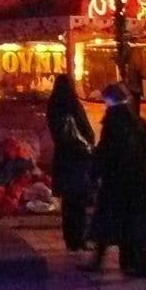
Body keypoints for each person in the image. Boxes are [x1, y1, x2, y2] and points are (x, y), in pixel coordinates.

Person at [88, 84, 146, 277]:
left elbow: (105, 150)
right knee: (138, 221)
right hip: (139, 179)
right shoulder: (138, 122)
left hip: (117, 179)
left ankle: (107, 260)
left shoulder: (113, 122)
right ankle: (140, 263)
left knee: (109, 219)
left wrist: (95, 172)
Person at [45, 75, 95, 253]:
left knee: (68, 203)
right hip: (77, 157)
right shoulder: (72, 104)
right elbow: (86, 130)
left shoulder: (53, 106)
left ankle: (70, 239)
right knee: (79, 201)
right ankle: (79, 237)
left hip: (63, 158)